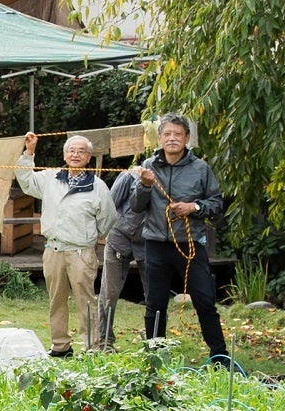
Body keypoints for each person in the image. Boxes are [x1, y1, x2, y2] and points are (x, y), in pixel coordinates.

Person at [134, 113, 229, 359]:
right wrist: (144, 185)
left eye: (178, 134)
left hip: (191, 244)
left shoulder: (200, 168)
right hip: (156, 244)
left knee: (205, 300)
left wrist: (193, 207)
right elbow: (136, 206)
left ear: (187, 138)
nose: (172, 138)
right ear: (159, 138)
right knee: (155, 304)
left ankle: (219, 356)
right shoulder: (148, 166)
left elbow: (216, 204)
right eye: (167, 134)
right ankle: (154, 356)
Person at [17, 131, 118, 357]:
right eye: (71, 150)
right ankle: (60, 345)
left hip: (81, 252)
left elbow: (109, 217)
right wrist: (29, 153)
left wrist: (91, 236)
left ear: (89, 157)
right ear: (64, 155)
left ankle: (92, 347)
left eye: (81, 151)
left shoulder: (97, 186)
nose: (75, 155)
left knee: (86, 300)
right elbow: (26, 181)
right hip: (53, 249)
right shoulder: (50, 178)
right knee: (56, 300)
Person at [98, 159, 149, 348]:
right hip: (119, 238)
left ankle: (155, 341)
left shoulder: (168, 181)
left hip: (149, 242)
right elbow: (110, 206)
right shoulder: (128, 176)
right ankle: (104, 340)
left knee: (154, 295)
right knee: (109, 293)